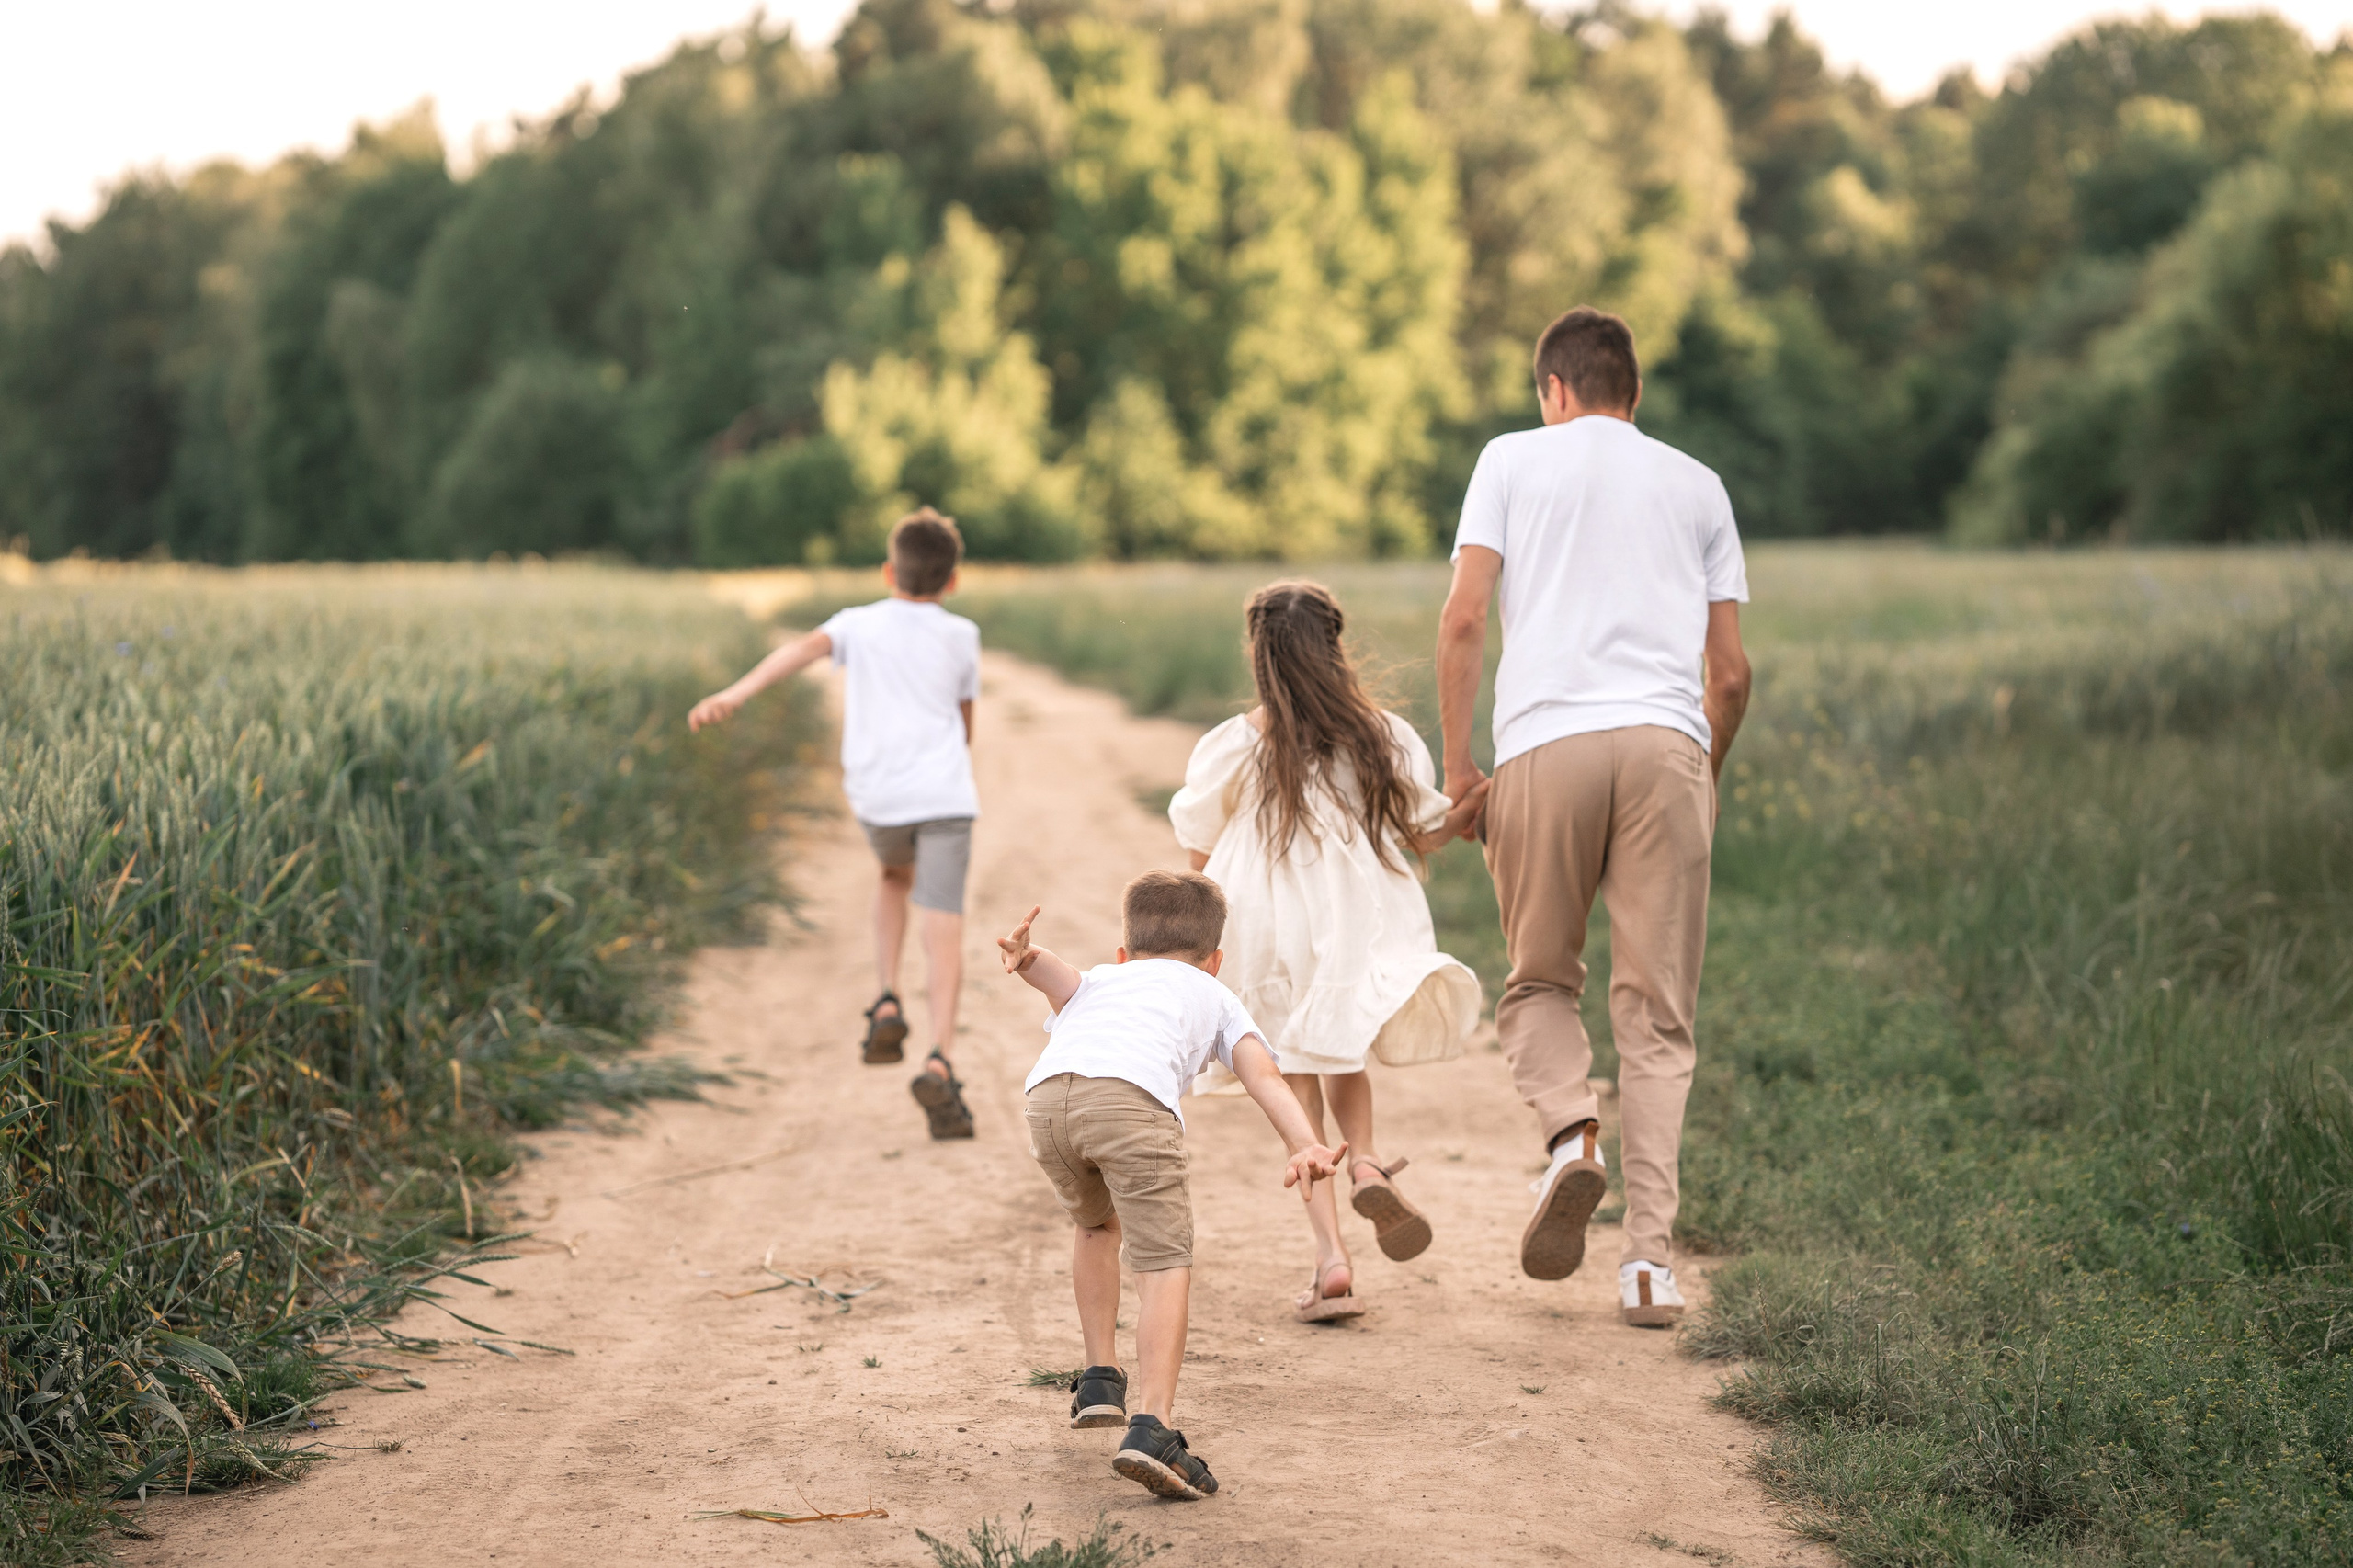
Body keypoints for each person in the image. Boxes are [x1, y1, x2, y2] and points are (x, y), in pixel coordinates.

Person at [1435, 306, 1753, 1328]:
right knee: (1657, 1016)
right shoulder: (1697, 483)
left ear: (1553, 391)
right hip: (1666, 745)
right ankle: (1650, 1265)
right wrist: (1695, 770)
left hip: (1544, 746)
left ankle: (1572, 1132)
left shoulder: (1510, 460)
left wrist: (1459, 769)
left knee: (1537, 978)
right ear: (1633, 395)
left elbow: (1465, 615)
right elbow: (1733, 673)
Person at [1167, 582, 1486, 1323]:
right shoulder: (1380, 735)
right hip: (1353, 911)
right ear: (1335, 646)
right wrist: (1472, 806)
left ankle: (1331, 1261)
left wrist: (1197, 941)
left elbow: (1198, 850)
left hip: (1262, 916)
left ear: (1259, 655)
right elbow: (1424, 830)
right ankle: (1367, 1158)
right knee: (1341, 1048)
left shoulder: (1238, 744)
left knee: (1289, 1074)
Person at [998, 873, 1345, 1500]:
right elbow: (1264, 1076)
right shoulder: (1214, 994)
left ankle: (1100, 1377)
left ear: (1125, 951)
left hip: (1049, 1103)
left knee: (1096, 1225)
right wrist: (1304, 1143)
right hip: (1131, 1106)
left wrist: (1025, 957)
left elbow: (1054, 975)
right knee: (1162, 1264)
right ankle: (1152, 1425)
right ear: (1215, 961)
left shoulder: (1104, 978)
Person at [689, 507, 982, 1141]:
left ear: (888, 572)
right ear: (951, 581)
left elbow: (798, 652)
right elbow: (964, 725)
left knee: (891, 877)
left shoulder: (857, 623)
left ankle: (885, 996)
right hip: (945, 794)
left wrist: (735, 694)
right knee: (945, 924)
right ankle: (940, 1058)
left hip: (879, 796)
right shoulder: (962, 635)